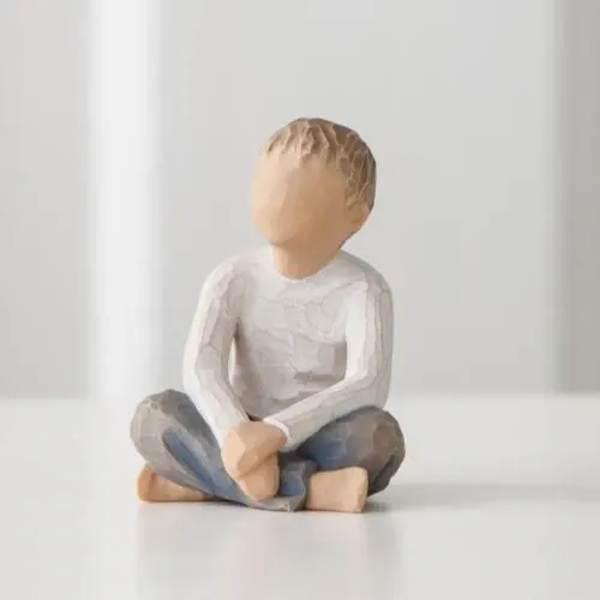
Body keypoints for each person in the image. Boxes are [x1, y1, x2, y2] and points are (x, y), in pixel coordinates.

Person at [131, 118, 405, 512]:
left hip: (314, 435)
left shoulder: (364, 289)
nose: (273, 198)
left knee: (378, 438)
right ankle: (315, 491)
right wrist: (234, 432)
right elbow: (201, 365)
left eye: (297, 191)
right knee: (153, 417)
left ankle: (203, 483)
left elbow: (367, 384)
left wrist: (276, 432)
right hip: (236, 426)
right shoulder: (232, 277)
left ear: (355, 215)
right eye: (266, 184)